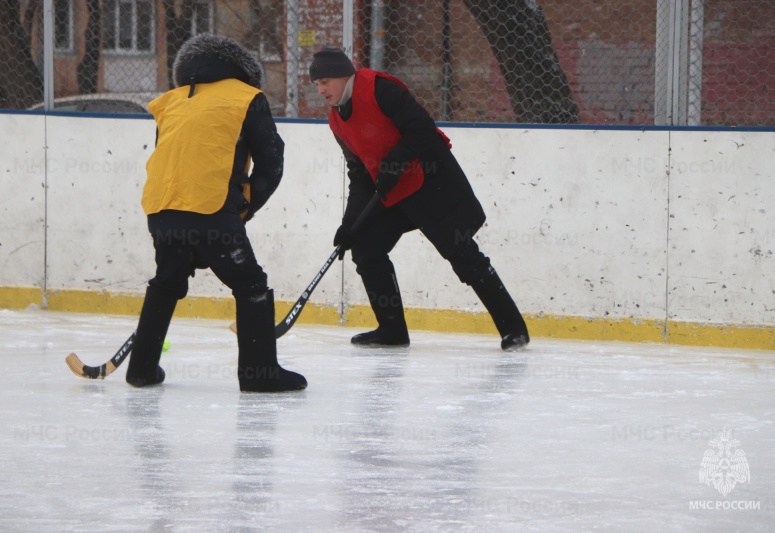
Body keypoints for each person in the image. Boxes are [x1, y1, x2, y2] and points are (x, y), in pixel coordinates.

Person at [309, 46, 529, 351]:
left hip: (430, 183)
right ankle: (391, 330)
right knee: (366, 247)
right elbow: (359, 176)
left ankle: (513, 328)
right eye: (316, 84)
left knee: (462, 253)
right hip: (394, 191)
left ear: (344, 75)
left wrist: (394, 163)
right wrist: (350, 225)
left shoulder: (379, 89)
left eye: (325, 82)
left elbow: (422, 129)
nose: (320, 90)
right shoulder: (337, 122)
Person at [126, 34, 306, 392]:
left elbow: (175, 159)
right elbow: (271, 162)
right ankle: (259, 374)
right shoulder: (247, 97)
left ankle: (141, 368)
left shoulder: (171, 102)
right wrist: (244, 210)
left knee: (167, 281)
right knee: (249, 283)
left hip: (161, 210)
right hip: (211, 211)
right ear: (243, 71)